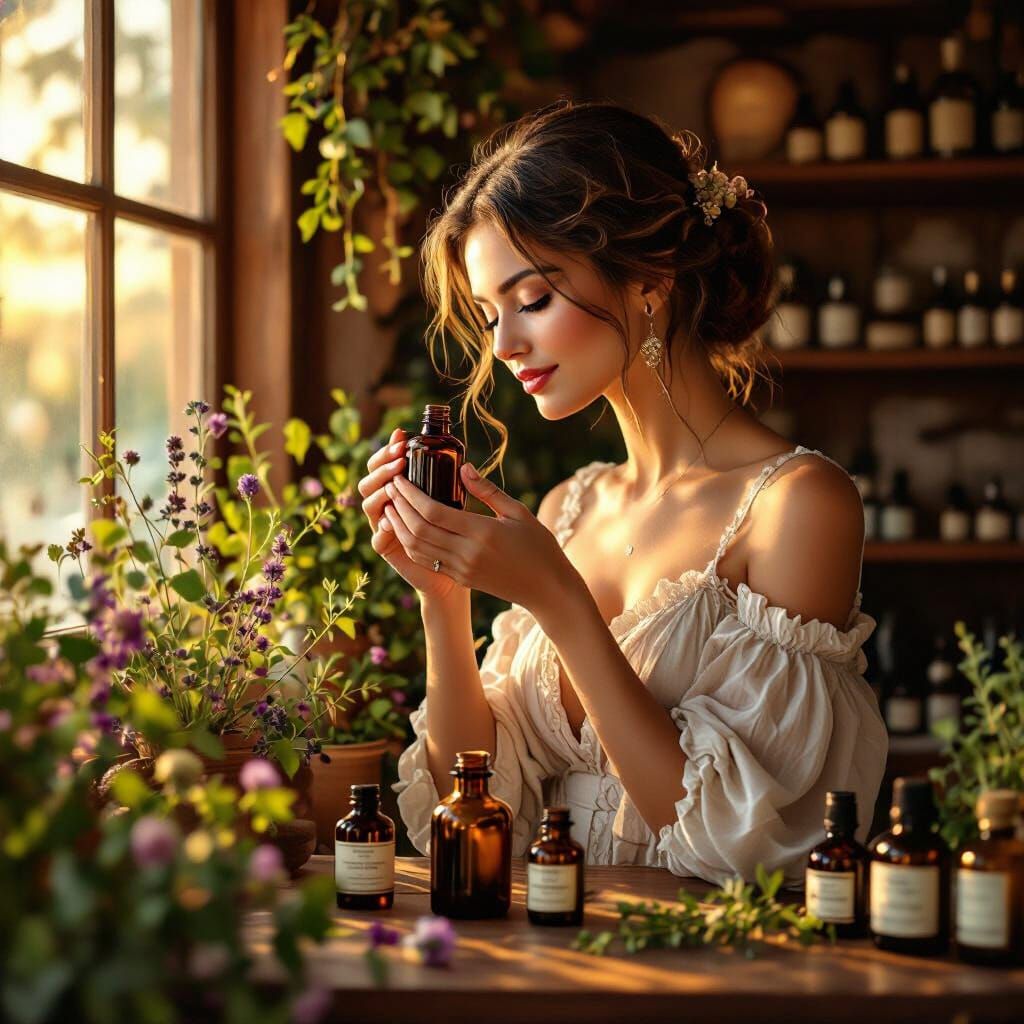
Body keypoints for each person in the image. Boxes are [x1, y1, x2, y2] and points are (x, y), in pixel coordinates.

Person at [357, 99, 886, 887]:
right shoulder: (574, 506)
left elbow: (751, 849)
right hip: (548, 952)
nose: (503, 345)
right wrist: (442, 598)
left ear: (648, 281)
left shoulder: (798, 506)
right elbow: (468, 805)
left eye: (532, 299)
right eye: (487, 313)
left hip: (707, 974)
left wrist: (561, 601)